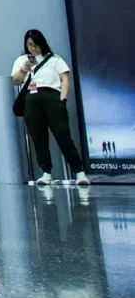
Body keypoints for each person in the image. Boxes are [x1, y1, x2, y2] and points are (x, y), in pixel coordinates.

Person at [12, 29, 89, 186]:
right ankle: (46, 173)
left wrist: (62, 99)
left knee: (62, 135)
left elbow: (65, 79)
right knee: (38, 137)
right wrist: (24, 69)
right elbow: (16, 81)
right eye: (30, 44)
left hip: (52, 96)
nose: (33, 48)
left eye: (36, 44)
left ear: (42, 43)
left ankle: (79, 172)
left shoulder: (54, 59)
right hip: (31, 98)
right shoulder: (22, 59)